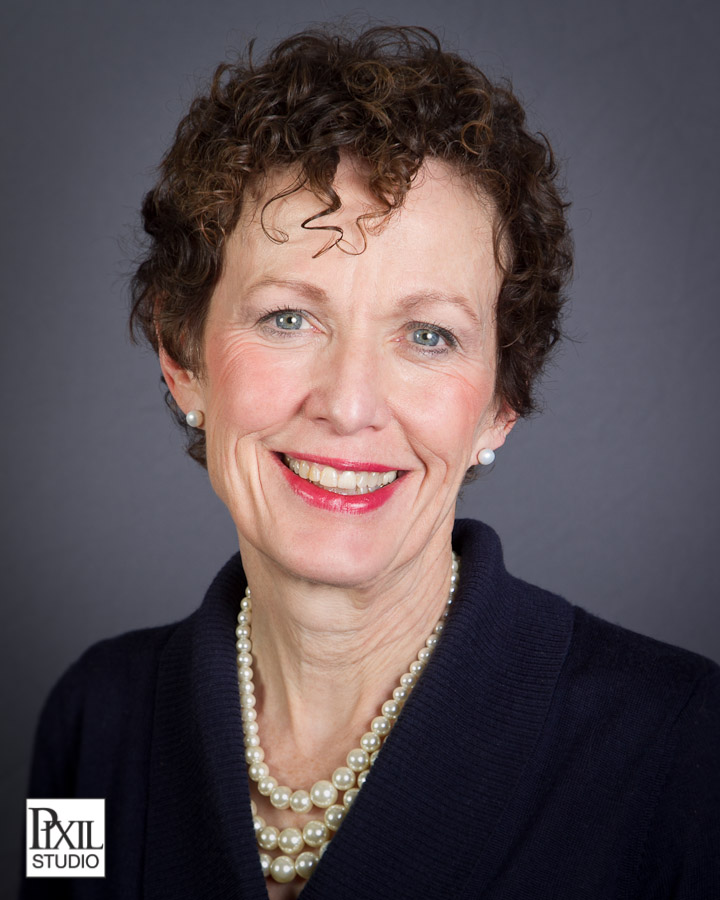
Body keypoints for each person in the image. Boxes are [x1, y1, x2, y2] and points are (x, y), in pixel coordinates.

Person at [24, 25, 719, 900]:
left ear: (501, 402)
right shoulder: (90, 727)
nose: (349, 404)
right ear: (182, 355)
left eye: (428, 335)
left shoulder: (688, 752)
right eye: (287, 318)